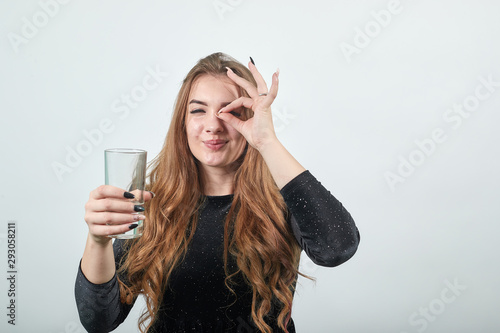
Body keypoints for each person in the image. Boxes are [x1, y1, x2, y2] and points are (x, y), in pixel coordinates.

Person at [75, 52, 360, 333]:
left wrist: (267, 141)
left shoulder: (282, 201)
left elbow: (337, 248)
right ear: (182, 123)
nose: (213, 125)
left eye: (232, 111)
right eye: (198, 110)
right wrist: (98, 239)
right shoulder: (151, 205)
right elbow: (100, 321)